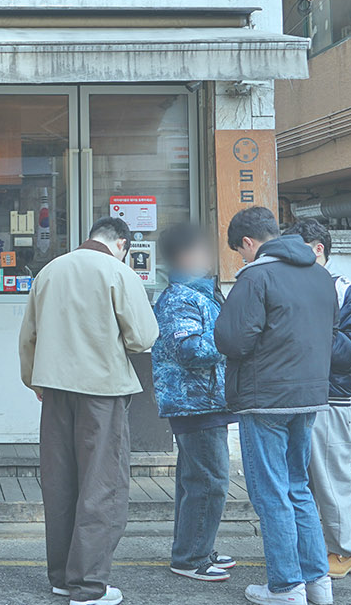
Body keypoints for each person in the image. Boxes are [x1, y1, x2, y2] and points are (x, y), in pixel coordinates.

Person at [19, 217, 160, 605]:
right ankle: (89, 585)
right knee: (102, 485)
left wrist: (35, 381)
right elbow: (142, 337)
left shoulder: (50, 271)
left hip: (54, 391)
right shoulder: (118, 271)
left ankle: (63, 578)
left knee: (60, 483)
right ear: (122, 244)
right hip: (102, 392)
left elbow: (29, 336)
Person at [215, 206, 338, 605]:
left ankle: (285, 587)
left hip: (264, 397)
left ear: (248, 242)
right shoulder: (320, 275)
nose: (241, 258)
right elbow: (331, 332)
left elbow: (232, 340)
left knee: (272, 493)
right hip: (309, 396)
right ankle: (317, 583)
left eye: (240, 251)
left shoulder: (256, 277)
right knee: (298, 487)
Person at [287, 220, 351, 580]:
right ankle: (309, 551)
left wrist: (314, 334)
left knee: (330, 478)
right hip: (290, 396)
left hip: (329, 397)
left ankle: (342, 551)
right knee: (299, 481)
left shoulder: (344, 291)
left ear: (318, 249)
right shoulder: (290, 284)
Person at [150, 223, 237, 584]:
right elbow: (188, 349)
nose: (209, 256)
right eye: (202, 249)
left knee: (196, 482)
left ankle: (195, 548)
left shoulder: (200, 293)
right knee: (209, 482)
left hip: (206, 402)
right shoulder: (180, 298)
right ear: (185, 256)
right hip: (195, 403)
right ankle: (191, 558)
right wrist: (232, 339)